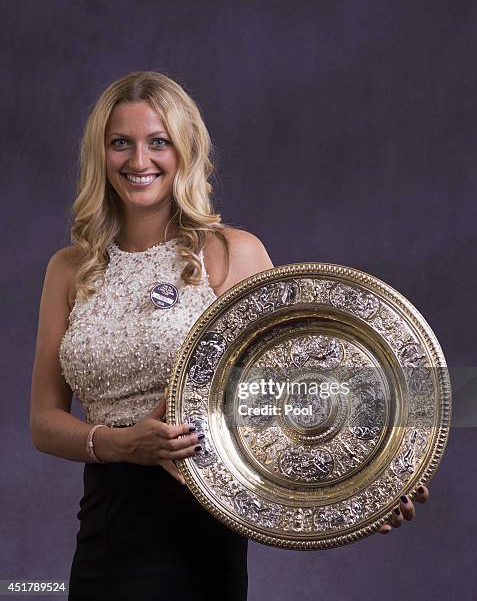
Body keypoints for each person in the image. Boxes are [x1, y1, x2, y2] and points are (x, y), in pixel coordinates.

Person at [30, 70, 428, 601]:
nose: (138, 160)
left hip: (200, 529)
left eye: (158, 142)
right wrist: (122, 445)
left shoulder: (230, 252)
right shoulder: (69, 269)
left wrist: (373, 482)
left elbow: (296, 393)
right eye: (120, 143)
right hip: (105, 526)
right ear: (99, 155)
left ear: (185, 151)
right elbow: (43, 422)